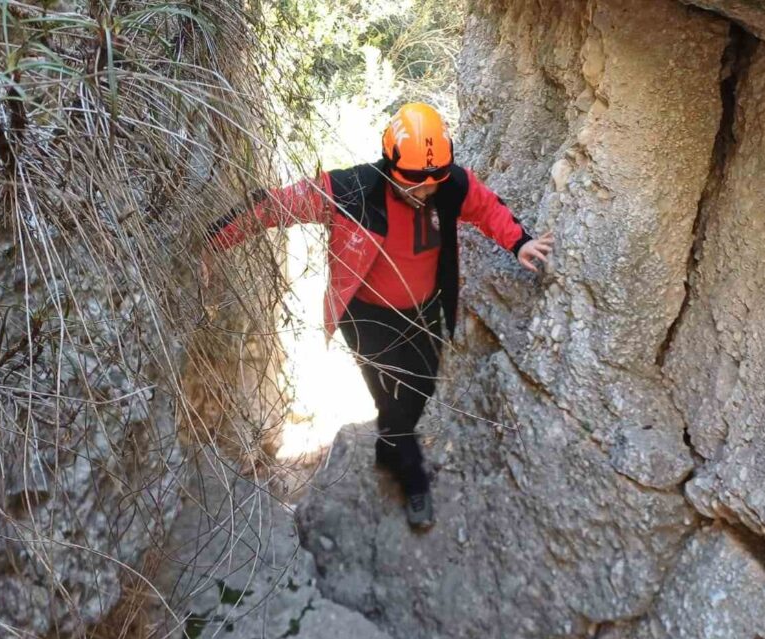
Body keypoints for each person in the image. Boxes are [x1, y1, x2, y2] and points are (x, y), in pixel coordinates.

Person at [207, 102, 554, 530]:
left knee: (421, 386)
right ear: (390, 164)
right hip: (366, 317)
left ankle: (391, 444)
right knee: (392, 398)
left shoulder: (449, 185)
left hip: (424, 309)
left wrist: (519, 242)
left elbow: (486, 208)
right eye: (415, 184)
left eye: (434, 182)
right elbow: (278, 206)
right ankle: (413, 481)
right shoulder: (353, 188)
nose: (426, 191)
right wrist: (213, 242)